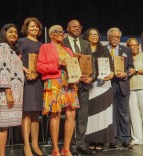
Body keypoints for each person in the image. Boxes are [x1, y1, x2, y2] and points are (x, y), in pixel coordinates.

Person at [37, 25, 79, 156]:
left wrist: (76, 74)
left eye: (62, 31)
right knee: (55, 114)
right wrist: (56, 65)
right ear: (50, 35)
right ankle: (55, 149)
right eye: (57, 31)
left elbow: (73, 66)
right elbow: (40, 66)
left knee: (71, 114)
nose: (60, 33)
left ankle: (66, 148)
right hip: (54, 82)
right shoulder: (45, 47)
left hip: (69, 84)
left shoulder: (68, 50)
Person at [0, 23, 24, 156]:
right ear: (3, 33)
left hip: (12, 93)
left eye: (16, 32)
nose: (14, 34)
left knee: (4, 127)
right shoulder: (3, 47)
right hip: (5, 94)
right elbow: (3, 70)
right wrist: (8, 93)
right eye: (10, 32)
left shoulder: (11, 49)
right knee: (2, 128)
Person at [63, 19, 96, 155]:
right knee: (70, 116)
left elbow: (91, 61)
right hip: (70, 84)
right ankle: (69, 146)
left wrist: (92, 77)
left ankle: (80, 144)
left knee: (82, 116)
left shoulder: (85, 43)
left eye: (79, 26)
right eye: (74, 26)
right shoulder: (63, 42)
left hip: (83, 84)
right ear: (68, 28)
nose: (77, 28)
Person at [83, 28, 115, 151]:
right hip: (89, 85)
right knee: (90, 114)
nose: (95, 36)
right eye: (92, 34)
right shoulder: (84, 49)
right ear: (87, 36)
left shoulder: (104, 50)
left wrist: (112, 73)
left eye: (96, 34)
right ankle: (91, 139)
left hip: (103, 85)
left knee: (102, 113)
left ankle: (101, 141)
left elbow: (111, 65)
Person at [17, 17, 44, 156]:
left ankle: (35, 144)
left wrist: (37, 73)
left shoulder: (41, 44)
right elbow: (16, 60)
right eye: (32, 26)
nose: (35, 29)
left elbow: (43, 63)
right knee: (26, 114)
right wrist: (26, 71)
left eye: (37, 27)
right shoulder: (22, 41)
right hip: (26, 80)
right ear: (26, 28)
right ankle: (26, 145)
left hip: (38, 81)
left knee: (35, 114)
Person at [104, 27, 134, 149]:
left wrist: (126, 74)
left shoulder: (126, 49)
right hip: (108, 84)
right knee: (111, 113)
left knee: (124, 113)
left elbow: (131, 67)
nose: (116, 39)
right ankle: (113, 139)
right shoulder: (103, 49)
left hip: (122, 84)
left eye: (118, 37)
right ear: (108, 38)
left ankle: (126, 138)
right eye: (113, 37)